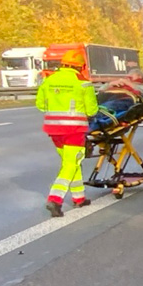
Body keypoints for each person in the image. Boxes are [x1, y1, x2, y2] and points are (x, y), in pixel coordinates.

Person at [35, 48, 98, 216]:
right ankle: (55, 199)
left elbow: (40, 105)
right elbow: (92, 110)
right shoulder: (83, 82)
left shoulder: (49, 80)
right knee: (70, 164)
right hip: (74, 130)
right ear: (79, 67)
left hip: (53, 130)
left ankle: (79, 198)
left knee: (71, 162)